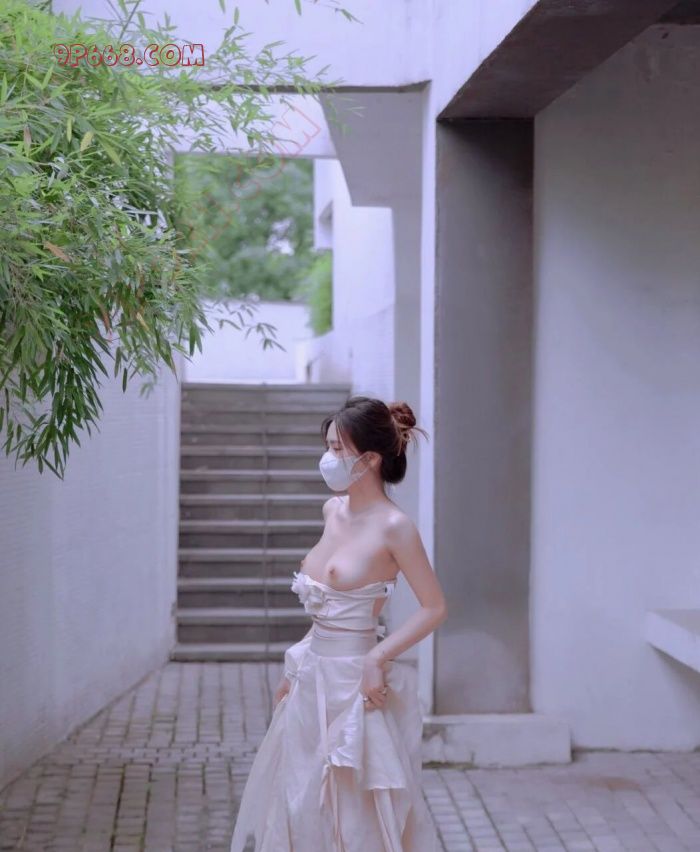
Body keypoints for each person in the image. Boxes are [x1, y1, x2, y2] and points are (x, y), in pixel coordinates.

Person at [229, 395, 448, 852]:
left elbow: (433, 607)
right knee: (300, 801)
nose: (327, 458)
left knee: (350, 810)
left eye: (336, 448)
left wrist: (376, 657)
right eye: (327, 446)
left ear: (370, 459)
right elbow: (326, 607)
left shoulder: (395, 527)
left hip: (354, 688)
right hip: (311, 680)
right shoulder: (333, 510)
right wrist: (294, 668)